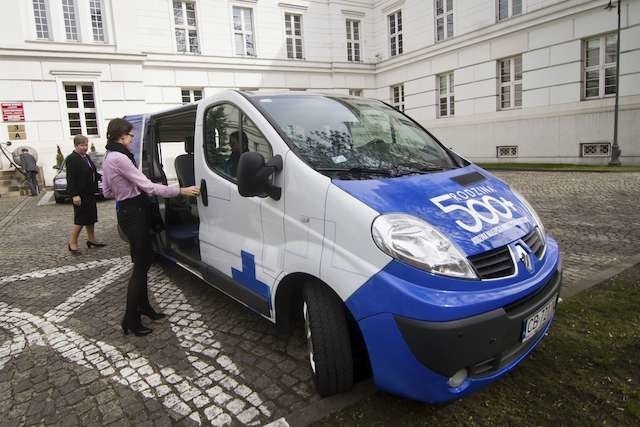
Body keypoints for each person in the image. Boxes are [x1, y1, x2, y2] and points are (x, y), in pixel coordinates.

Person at [102, 118, 199, 337]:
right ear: (121, 136)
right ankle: (130, 318)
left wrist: (123, 190)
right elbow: (148, 186)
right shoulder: (120, 158)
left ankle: (144, 307)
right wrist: (180, 191)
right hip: (135, 212)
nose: (132, 138)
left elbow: (107, 191)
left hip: (126, 211)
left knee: (142, 263)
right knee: (140, 268)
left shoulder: (109, 156)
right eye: (130, 135)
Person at [65, 135, 104, 254]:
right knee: (80, 219)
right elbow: (70, 178)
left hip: (90, 192)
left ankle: (92, 240)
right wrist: (74, 195)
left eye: (86, 145)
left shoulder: (86, 157)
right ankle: (72, 243)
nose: (85, 147)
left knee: (91, 218)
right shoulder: (72, 158)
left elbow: (92, 172)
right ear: (76, 146)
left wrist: (103, 178)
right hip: (80, 195)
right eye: (82, 145)